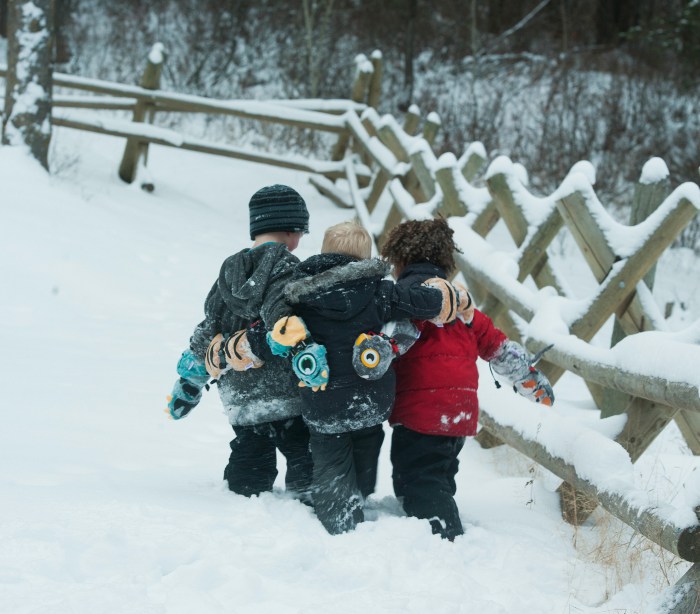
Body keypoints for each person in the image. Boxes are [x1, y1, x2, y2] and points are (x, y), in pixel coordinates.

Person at [379, 218, 555, 541]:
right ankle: (434, 516)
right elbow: (498, 346)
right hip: (461, 409)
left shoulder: (406, 298)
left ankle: (445, 535)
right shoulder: (464, 306)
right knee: (438, 473)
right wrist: (525, 375)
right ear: (446, 262)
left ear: (400, 260)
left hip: (422, 412)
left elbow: (387, 340)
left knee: (419, 480)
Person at [279, 220, 458, 534]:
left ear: (323, 253)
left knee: (330, 454)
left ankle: (339, 514)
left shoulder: (301, 296)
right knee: (366, 439)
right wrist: (442, 295)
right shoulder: (380, 290)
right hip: (370, 396)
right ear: (363, 259)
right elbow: (425, 303)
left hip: (322, 397)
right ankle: (360, 490)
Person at [166, 184, 317, 500]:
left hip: (241, 395)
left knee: (251, 449)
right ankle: (307, 494)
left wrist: (190, 381)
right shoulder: (290, 269)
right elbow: (296, 323)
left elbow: (208, 329)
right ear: (291, 231)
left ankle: (243, 495)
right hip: (287, 392)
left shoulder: (227, 275)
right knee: (303, 450)